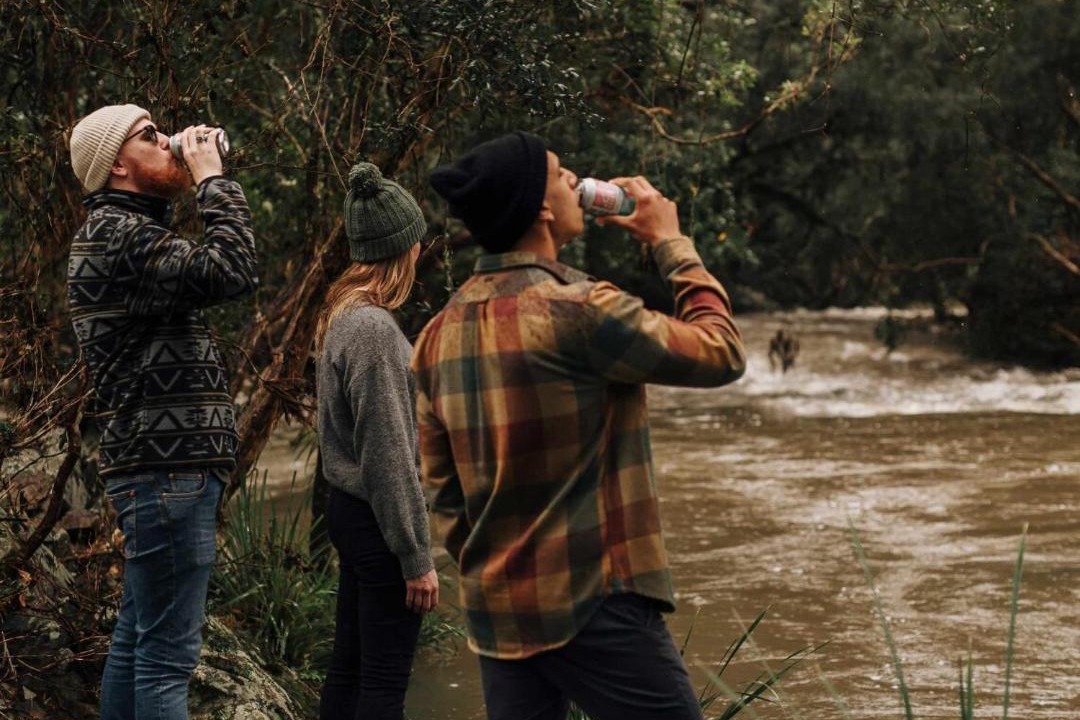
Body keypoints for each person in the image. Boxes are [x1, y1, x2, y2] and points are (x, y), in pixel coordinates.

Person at [413, 132, 746, 720]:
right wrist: (672, 243)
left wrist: (494, 569)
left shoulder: (436, 336)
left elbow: (443, 492)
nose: (577, 182)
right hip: (594, 606)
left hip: (499, 616)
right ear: (540, 209)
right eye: (562, 173)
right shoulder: (580, 310)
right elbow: (722, 352)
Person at [66, 104, 257, 719]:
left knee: (138, 643)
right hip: (166, 472)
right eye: (151, 136)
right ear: (116, 164)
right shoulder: (119, 234)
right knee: (167, 660)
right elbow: (233, 268)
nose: (169, 141)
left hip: (156, 470)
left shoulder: (124, 231)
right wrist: (211, 180)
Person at [315, 162, 439, 720]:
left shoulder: (342, 313)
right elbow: (388, 454)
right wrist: (416, 556)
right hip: (376, 522)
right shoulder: (374, 330)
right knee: (384, 685)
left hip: (349, 511)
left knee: (351, 666)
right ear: (405, 248)